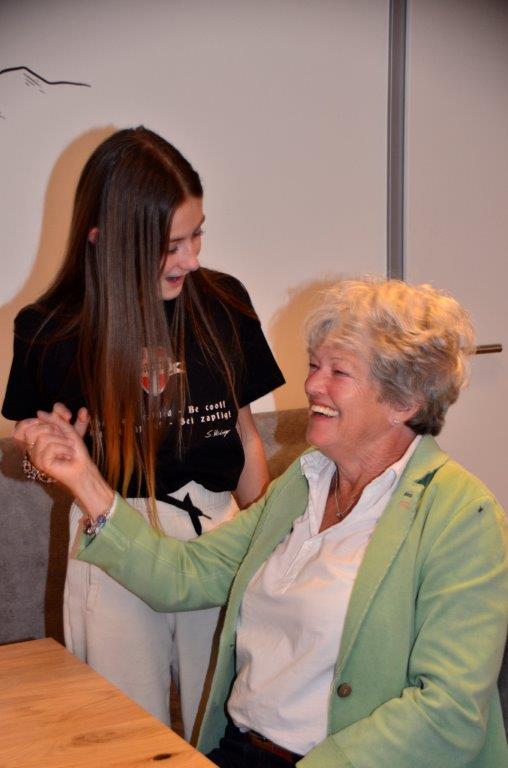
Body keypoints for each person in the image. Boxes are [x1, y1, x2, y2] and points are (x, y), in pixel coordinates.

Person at [16, 278, 508, 768]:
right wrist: (84, 478)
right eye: (314, 365)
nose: (312, 384)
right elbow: (184, 575)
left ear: (404, 402)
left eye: (339, 371)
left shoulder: (461, 516)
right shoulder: (304, 483)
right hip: (240, 751)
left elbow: (449, 713)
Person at [2, 126, 285, 740]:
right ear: (103, 238)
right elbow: (29, 463)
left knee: (230, 724)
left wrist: (271, 548)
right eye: (170, 245)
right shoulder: (50, 329)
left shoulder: (225, 303)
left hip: (216, 539)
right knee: (122, 733)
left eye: (197, 234)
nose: (192, 259)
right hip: (113, 539)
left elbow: (244, 437)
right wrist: (43, 458)